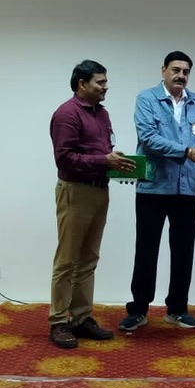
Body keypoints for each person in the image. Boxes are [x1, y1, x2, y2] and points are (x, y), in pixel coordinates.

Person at [119, 51, 195, 332]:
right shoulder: (147, 99)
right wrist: (187, 151)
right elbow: (149, 139)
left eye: (186, 72)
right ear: (163, 70)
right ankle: (138, 310)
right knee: (146, 250)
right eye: (175, 70)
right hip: (153, 187)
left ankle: (177, 309)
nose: (181, 76)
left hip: (188, 188)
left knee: (183, 251)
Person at [48, 60, 136, 349]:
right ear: (82, 84)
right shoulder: (67, 114)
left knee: (88, 259)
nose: (106, 87)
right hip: (75, 191)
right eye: (100, 82)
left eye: (105, 81)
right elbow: (64, 159)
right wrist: (104, 160)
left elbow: (103, 151)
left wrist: (115, 161)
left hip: (99, 191)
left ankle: (81, 318)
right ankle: (59, 321)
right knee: (67, 260)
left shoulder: (102, 114)